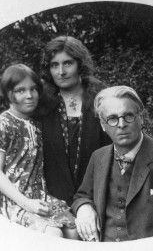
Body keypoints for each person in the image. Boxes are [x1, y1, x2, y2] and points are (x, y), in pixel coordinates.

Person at [71, 85, 153, 242]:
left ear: (141, 118)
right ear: (102, 125)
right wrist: (84, 207)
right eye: (112, 118)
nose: (121, 124)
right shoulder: (98, 157)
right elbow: (82, 195)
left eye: (128, 115)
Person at [0, 64, 77, 238]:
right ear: (8, 93)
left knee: (75, 230)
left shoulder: (38, 124)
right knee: (52, 234)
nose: (29, 96)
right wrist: (26, 203)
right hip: (14, 201)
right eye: (20, 90)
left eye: (33, 89)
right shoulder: (3, 124)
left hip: (41, 197)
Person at [39, 36, 110, 206]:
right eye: (54, 65)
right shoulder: (41, 103)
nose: (61, 72)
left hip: (97, 196)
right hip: (54, 200)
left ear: (80, 64)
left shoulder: (101, 99)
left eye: (68, 63)